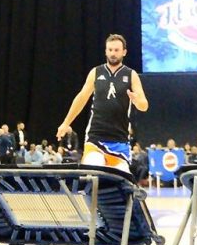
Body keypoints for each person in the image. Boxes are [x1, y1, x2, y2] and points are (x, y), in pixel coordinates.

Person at [56, 34, 148, 173]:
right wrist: (66, 123)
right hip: (96, 137)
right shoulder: (96, 72)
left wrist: (137, 100)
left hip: (120, 140)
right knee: (94, 171)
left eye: (116, 50)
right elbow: (81, 98)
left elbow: (144, 105)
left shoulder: (131, 75)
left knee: (121, 179)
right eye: (110, 50)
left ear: (124, 52)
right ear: (105, 51)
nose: (113, 53)